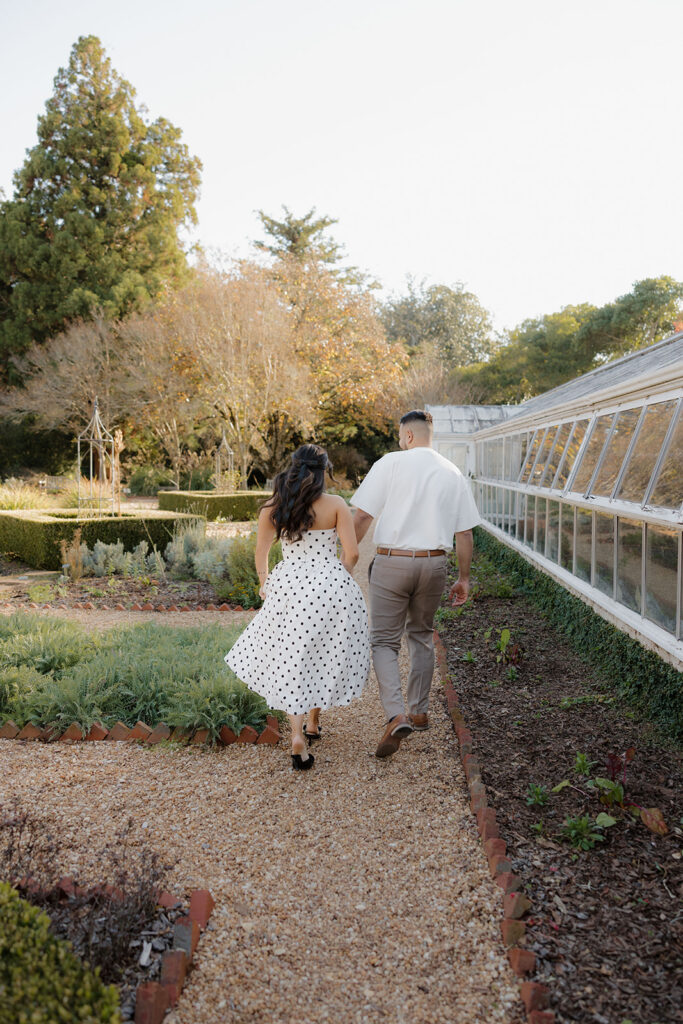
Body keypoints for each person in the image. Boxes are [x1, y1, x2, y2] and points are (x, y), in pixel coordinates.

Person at [225, 444, 370, 770]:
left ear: (293, 467)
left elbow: (261, 552)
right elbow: (353, 553)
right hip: (329, 585)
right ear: (323, 471)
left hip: (289, 586)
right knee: (324, 651)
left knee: (293, 655)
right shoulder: (335, 504)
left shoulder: (275, 505)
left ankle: (296, 736)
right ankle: (314, 723)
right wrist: (339, 577)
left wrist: (264, 582)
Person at [351, 410, 481, 759]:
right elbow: (465, 532)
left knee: (383, 641)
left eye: (399, 435)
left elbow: (361, 515)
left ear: (407, 435)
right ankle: (420, 711)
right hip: (434, 564)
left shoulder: (390, 463)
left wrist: (345, 558)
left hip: (392, 562)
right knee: (422, 634)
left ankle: (395, 715)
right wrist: (464, 578)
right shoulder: (452, 472)